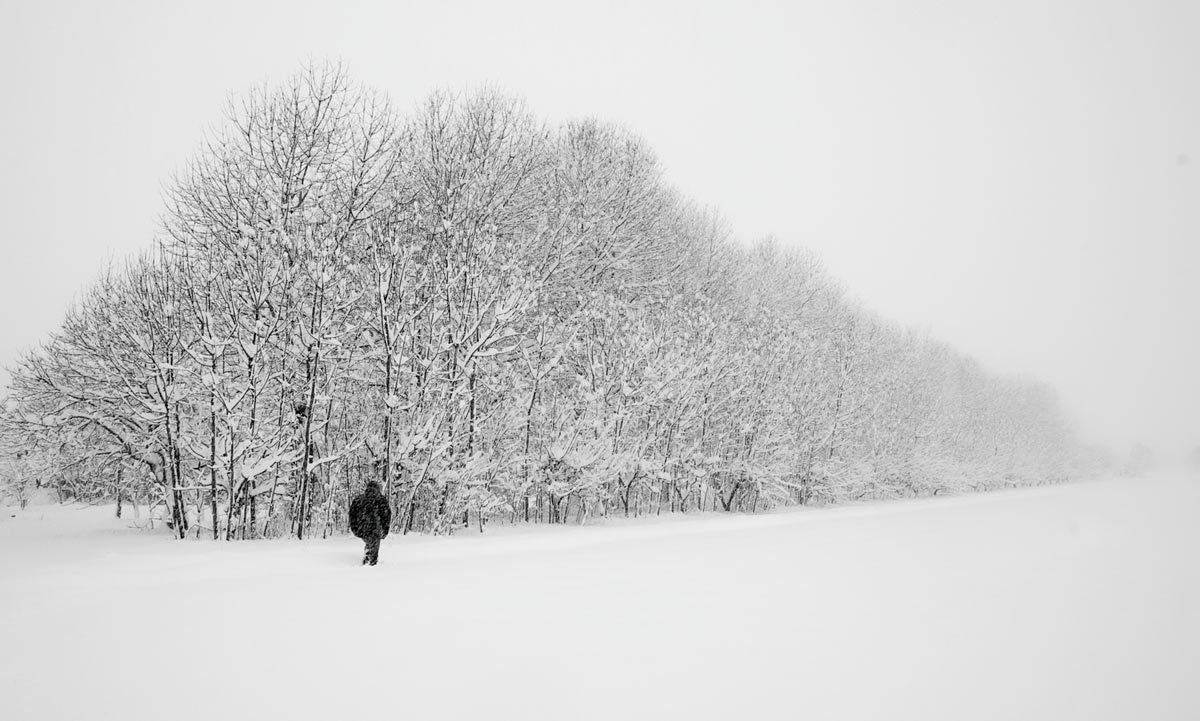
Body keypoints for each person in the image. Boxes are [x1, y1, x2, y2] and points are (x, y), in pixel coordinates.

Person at [349, 480, 391, 566]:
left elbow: (352, 514)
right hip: (376, 529)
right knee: (374, 546)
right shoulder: (381, 500)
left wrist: (355, 529)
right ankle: (371, 564)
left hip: (362, 528)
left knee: (369, 543)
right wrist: (385, 530)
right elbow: (386, 516)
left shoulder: (359, 499)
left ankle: (367, 558)